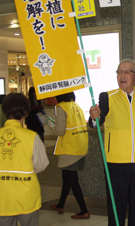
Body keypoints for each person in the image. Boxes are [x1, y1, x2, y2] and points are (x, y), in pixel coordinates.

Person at [89, 58, 135, 226]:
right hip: (115, 163)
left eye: (126, 72)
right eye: (119, 72)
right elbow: (97, 121)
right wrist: (94, 117)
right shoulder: (107, 97)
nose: (122, 75)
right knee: (116, 209)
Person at [0, 93, 49, 226]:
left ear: (4, 111)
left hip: (2, 197)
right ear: (25, 113)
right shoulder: (31, 137)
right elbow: (41, 164)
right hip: (27, 195)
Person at [50, 92, 90, 219]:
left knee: (73, 180)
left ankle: (84, 210)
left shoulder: (62, 107)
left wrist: (51, 127)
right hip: (80, 146)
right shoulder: (76, 106)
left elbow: (60, 130)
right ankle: (60, 205)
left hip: (69, 148)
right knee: (66, 177)